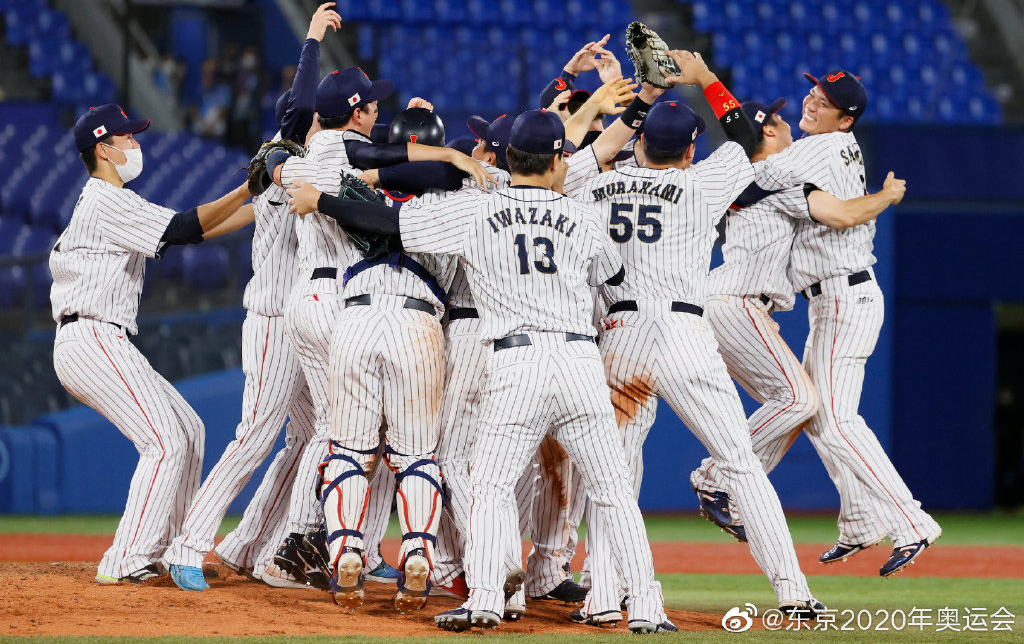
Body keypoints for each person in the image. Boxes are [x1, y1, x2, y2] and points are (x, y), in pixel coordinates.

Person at [286, 109, 675, 634]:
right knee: (612, 491)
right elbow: (615, 280)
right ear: (559, 160)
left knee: (489, 484)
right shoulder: (583, 217)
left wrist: (321, 201)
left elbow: (389, 224)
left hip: (514, 361)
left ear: (509, 158)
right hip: (579, 360)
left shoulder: (476, 210)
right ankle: (648, 608)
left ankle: (486, 598)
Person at [570, 51, 824, 619]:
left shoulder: (598, 183)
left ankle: (606, 598)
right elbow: (747, 139)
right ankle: (794, 593)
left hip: (621, 338)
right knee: (739, 462)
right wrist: (707, 78)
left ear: (639, 144)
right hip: (686, 332)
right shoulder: (702, 183)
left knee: (616, 473)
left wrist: (638, 98)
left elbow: (576, 155)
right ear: (689, 150)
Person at [701, 71, 941, 577]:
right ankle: (857, 524)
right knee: (816, 415)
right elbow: (758, 154)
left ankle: (912, 523)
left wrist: (706, 80)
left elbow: (828, 209)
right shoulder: (826, 151)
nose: (811, 102)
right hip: (829, 297)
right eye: (812, 91)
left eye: (824, 99)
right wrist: (885, 196)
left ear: (845, 119)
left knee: (833, 420)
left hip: (843, 296)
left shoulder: (818, 150)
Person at [163, 3, 342, 592]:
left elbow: (234, 218)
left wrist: (194, 229)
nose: (319, 123)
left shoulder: (309, 165)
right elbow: (298, 105)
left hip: (301, 323)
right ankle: (188, 545)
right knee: (256, 436)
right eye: (312, 119)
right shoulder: (286, 160)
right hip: (271, 320)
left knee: (317, 433)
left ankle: (252, 545)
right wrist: (312, 39)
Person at [50, 103, 251, 585]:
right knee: (163, 440)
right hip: (90, 336)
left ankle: (167, 549)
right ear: (104, 148)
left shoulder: (111, 198)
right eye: (128, 138)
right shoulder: (103, 199)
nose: (136, 144)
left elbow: (193, 233)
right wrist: (248, 187)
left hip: (103, 337)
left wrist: (257, 205)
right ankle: (125, 558)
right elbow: (184, 228)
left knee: (190, 428)